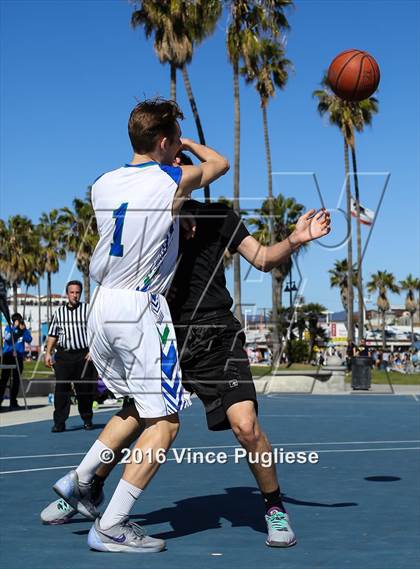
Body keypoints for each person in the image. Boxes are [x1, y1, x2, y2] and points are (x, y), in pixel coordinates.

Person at [43, 152, 330, 549]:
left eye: (180, 165)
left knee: (246, 426)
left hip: (216, 336)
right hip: (162, 331)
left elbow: (262, 258)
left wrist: (296, 239)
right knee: (136, 416)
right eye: (168, 164)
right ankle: (86, 486)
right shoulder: (147, 213)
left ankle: (274, 507)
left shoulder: (219, 216)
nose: (172, 172)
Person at [50, 99, 229, 554]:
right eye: (173, 145)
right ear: (166, 142)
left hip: (101, 306)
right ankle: (111, 525)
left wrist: (177, 213)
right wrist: (186, 146)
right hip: (140, 307)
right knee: (165, 424)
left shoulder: (103, 183)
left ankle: (83, 481)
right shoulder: (170, 176)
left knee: (134, 405)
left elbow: (140, 218)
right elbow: (220, 164)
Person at [45, 280, 97, 432]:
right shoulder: (59, 313)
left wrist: (92, 350)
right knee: (61, 389)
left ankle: (87, 419)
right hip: (64, 356)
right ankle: (59, 422)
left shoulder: (88, 310)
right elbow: (53, 334)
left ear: (80, 293)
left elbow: (97, 332)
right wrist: (48, 352)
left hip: (83, 356)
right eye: (72, 292)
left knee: (84, 390)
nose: (74, 295)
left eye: (77, 292)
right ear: (67, 294)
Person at [0, 313, 32, 409]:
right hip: (8, 356)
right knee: (4, 379)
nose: (20, 322)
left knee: (16, 380)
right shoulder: (8, 328)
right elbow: (8, 339)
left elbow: (29, 339)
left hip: (18, 357)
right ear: (14, 321)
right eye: (18, 321)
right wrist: (15, 329)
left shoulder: (23, 330)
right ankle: (0, 399)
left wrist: (24, 330)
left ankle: (13, 401)